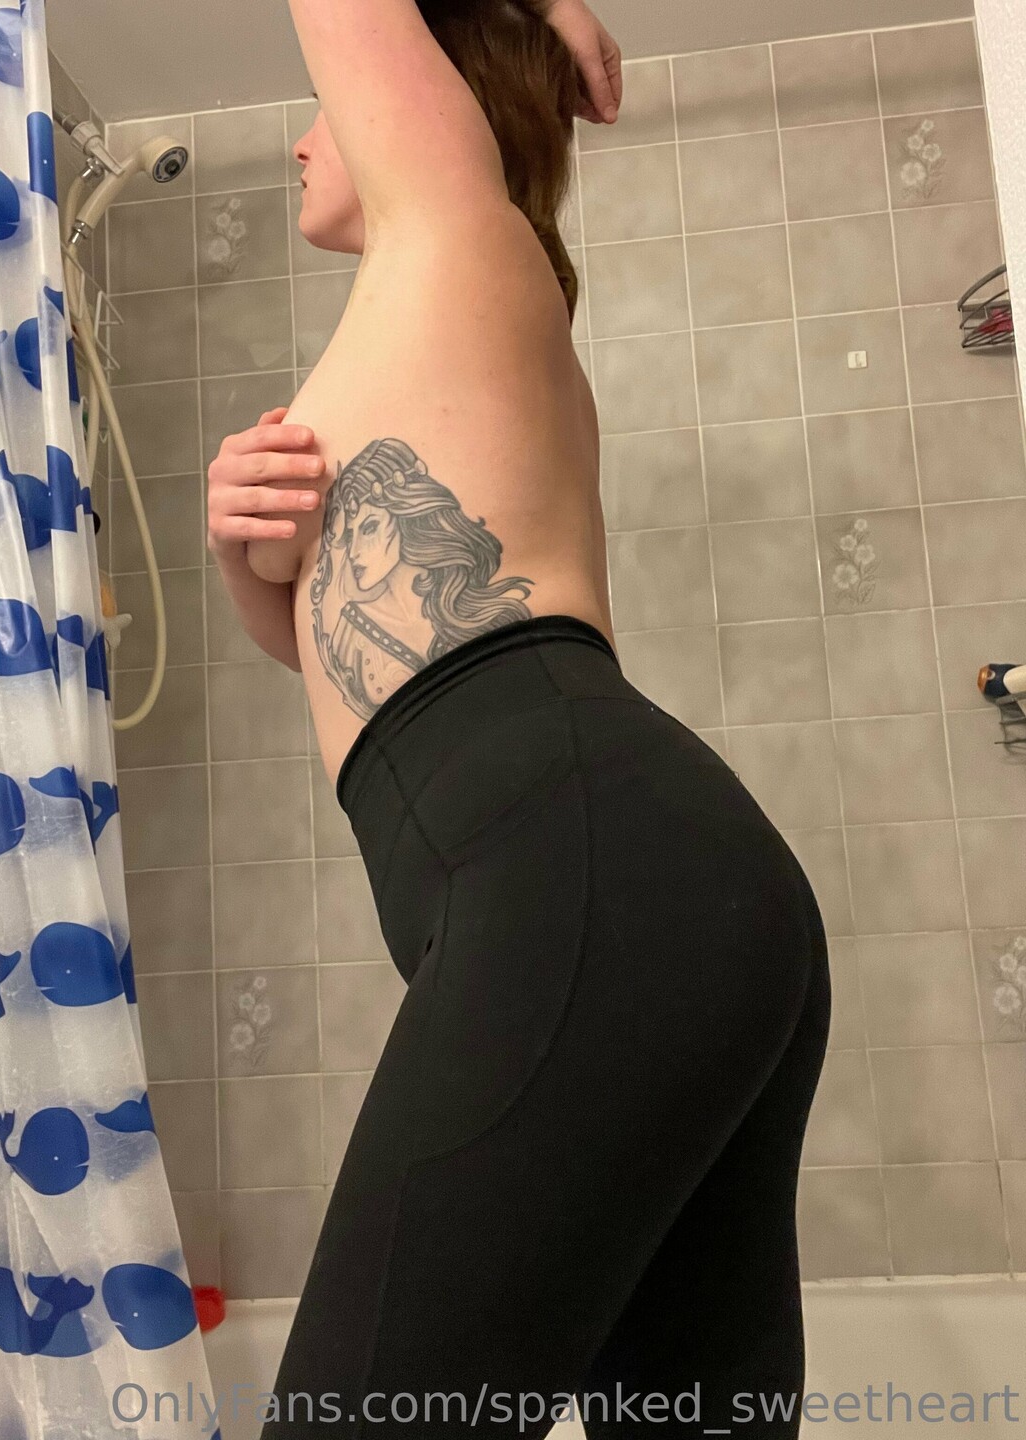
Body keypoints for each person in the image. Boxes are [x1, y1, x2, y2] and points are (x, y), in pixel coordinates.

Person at [205, 2, 832, 1436]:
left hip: (585, 880)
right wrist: (251, 560)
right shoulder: (428, 323)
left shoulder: (453, 225)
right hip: (654, 889)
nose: (304, 136)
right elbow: (349, 675)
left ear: (434, 105)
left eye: (328, 107)